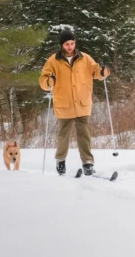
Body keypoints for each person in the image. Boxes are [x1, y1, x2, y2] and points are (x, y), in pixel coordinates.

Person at [39, 28, 110, 176]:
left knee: (84, 134)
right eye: (67, 44)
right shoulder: (53, 60)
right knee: (63, 134)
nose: (70, 47)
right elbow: (43, 81)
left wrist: (103, 72)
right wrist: (49, 81)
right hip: (64, 104)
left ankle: (88, 163)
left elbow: (96, 71)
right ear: (62, 45)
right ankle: (60, 162)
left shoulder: (85, 58)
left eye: (72, 43)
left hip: (82, 103)